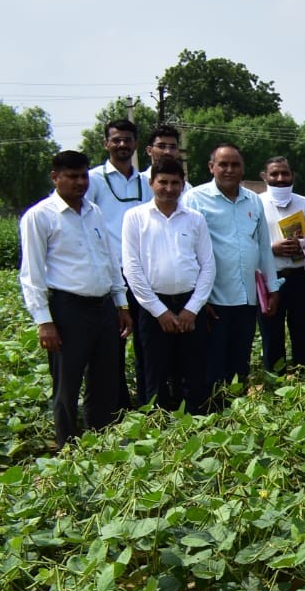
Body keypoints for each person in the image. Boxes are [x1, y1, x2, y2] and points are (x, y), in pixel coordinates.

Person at [19, 150, 131, 448]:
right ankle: (66, 446)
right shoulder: (40, 216)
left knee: (104, 380)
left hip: (103, 306)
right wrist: (45, 321)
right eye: (72, 176)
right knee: (67, 384)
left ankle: (100, 442)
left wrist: (121, 303)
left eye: (83, 176)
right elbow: (32, 274)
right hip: (68, 309)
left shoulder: (93, 211)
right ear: (55, 178)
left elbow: (109, 259)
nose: (79, 182)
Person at [121, 158, 214, 412]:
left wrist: (192, 309)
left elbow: (208, 266)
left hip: (189, 304)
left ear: (183, 185)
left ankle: (195, 425)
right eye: (163, 182)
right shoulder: (135, 218)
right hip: (152, 308)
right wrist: (159, 311)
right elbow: (132, 269)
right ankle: (156, 430)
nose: (169, 188)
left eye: (175, 183)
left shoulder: (195, 219)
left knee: (193, 372)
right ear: (151, 183)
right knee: (154, 372)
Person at [187, 144, 279, 397]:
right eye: (223, 165)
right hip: (214, 298)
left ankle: (238, 414)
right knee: (212, 361)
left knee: (241, 359)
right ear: (211, 167)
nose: (229, 170)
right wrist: (198, 299)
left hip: (246, 297)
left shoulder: (253, 200)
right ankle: (213, 414)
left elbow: (262, 247)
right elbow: (188, 252)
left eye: (235, 165)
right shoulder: (195, 199)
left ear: (243, 168)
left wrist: (272, 288)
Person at [84, 118, 146, 406]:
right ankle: (115, 405)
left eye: (127, 140)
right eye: (116, 140)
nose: (122, 145)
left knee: (147, 343)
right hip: (113, 276)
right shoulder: (92, 180)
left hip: (146, 277)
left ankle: (148, 400)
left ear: (135, 144)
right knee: (113, 344)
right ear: (106, 143)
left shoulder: (147, 182)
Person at [259, 156, 305, 371]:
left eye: (285, 173)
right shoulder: (256, 203)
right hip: (269, 278)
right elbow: (247, 242)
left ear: (293, 176)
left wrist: (301, 244)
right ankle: (275, 383)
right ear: (264, 176)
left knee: (304, 332)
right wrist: (272, 249)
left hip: (300, 277)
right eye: (274, 174)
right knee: (271, 335)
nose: (280, 178)